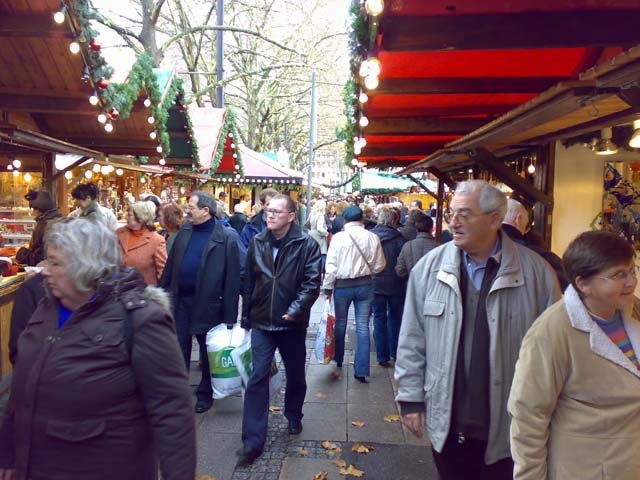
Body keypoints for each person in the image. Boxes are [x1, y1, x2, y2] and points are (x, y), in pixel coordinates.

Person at [0, 219, 196, 480]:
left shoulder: (140, 319)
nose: (46, 271)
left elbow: (172, 410)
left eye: (56, 263)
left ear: (84, 267)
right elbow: (21, 389)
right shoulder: (46, 306)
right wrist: (9, 453)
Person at [395, 180, 561, 480]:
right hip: (447, 419)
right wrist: (410, 399)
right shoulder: (429, 269)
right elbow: (411, 339)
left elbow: (556, 354)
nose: (453, 223)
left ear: (495, 219)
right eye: (451, 214)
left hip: (508, 424)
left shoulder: (538, 275)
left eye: (465, 215)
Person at [509, 231, 640, 480]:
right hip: (585, 470)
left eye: (632, 270)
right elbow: (528, 416)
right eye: (618, 275)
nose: (630, 282)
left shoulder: (633, 311)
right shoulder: (551, 331)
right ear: (583, 284)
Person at [237, 194, 322, 467]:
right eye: (267, 210)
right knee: (257, 377)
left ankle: (294, 414)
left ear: (291, 216)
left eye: (276, 211)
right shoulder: (257, 242)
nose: (269, 215)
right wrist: (246, 317)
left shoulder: (306, 244)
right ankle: (252, 441)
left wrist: (295, 310)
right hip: (262, 321)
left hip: (290, 323)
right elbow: (249, 281)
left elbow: (312, 282)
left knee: (295, 374)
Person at [159, 191, 241, 414]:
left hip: (209, 304)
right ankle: (177, 393)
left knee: (207, 353)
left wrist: (230, 317)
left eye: (191, 207)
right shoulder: (184, 232)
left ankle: (205, 393)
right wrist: (161, 295)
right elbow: (170, 268)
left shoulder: (226, 237)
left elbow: (233, 280)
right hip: (181, 301)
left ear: (205, 210)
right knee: (178, 348)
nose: (187, 211)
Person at [323, 205, 386, 382]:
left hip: (342, 287)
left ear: (345, 220)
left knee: (341, 323)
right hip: (365, 285)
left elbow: (331, 267)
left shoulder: (337, 238)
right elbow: (380, 265)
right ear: (361, 219)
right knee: (362, 326)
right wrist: (368, 269)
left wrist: (327, 288)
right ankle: (361, 370)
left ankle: (339, 358)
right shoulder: (373, 237)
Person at [502, 198, 569, 291]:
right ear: (518, 219)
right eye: (526, 226)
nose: (525, 231)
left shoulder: (479, 250)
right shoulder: (539, 256)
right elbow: (567, 285)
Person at [370, 206, 405, 367]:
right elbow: (401, 263)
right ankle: (395, 351)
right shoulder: (399, 239)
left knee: (378, 317)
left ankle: (382, 356)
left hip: (375, 282)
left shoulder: (371, 237)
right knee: (395, 318)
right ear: (393, 221)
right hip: (395, 283)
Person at [116, 201, 167, 286]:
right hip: (118, 290)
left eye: (129, 215)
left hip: (142, 293)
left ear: (140, 217)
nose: (126, 217)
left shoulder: (156, 240)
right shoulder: (119, 233)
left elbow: (163, 272)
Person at [15, 190, 61, 266]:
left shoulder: (44, 225)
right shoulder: (58, 220)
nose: (33, 213)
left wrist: (21, 253)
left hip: (47, 267)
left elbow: (38, 257)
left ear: (38, 210)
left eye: (33, 209)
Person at [395, 211, 439, 280]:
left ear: (416, 229)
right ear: (431, 229)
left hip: (412, 286)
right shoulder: (439, 247)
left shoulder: (407, 246)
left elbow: (400, 269)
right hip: (432, 287)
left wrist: (411, 279)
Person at [308, 200, 329, 272]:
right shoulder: (320, 216)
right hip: (319, 237)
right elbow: (320, 228)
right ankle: (320, 272)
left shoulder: (311, 214)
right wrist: (326, 233)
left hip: (311, 234)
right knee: (322, 254)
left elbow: (307, 224)